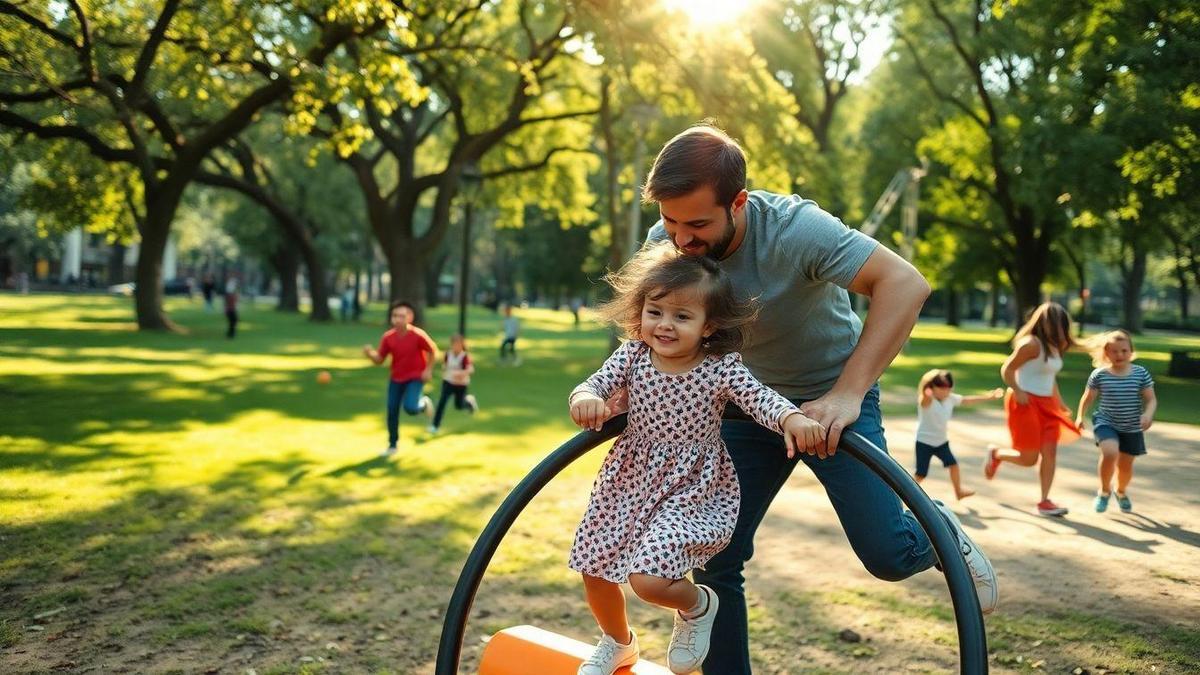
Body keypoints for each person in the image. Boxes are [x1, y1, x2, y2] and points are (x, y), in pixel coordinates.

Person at [639, 125, 996, 673]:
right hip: (742, 406)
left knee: (887, 554)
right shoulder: (667, 242)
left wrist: (847, 393)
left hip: (828, 398)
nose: (679, 239)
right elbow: (654, 331)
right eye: (669, 220)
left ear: (739, 203)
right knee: (714, 554)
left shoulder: (795, 230)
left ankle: (936, 529)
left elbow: (905, 283)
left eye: (697, 224)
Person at [568, 242, 826, 675]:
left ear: (709, 326)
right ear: (641, 311)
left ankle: (698, 604)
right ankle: (618, 642)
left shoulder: (720, 367)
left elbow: (760, 399)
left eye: (682, 316)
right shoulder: (632, 355)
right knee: (593, 568)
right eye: (656, 311)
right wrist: (586, 399)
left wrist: (791, 418)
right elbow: (591, 386)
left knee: (648, 579)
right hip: (629, 479)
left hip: (690, 488)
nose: (665, 325)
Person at [984, 302, 1082, 516]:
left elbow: (1049, 377)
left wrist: (1061, 403)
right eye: (1053, 324)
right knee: (1029, 459)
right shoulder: (1031, 344)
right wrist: (1017, 390)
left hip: (1048, 404)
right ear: (1043, 323)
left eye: (1060, 325)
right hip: (1025, 402)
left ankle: (1045, 501)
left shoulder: (1057, 346)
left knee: (1050, 452)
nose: (1057, 329)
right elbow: (1007, 369)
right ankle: (997, 454)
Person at [1074, 329, 1156, 513]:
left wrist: (1148, 414)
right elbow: (1087, 398)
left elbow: (1151, 399)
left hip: (1132, 426)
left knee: (1125, 468)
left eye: (1124, 351)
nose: (1119, 355)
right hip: (1106, 421)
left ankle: (1120, 491)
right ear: (1106, 353)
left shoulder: (1140, 373)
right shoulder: (1099, 375)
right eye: (1114, 351)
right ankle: (1104, 492)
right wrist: (1080, 416)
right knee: (1110, 453)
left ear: (1131, 352)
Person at [913, 369, 1004, 500]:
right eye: (941, 388)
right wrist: (927, 390)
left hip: (941, 442)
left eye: (948, 388)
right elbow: (925, 396)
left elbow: (968, 400)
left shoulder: (951, 399)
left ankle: (958, 492)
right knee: (921, 474)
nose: (946, 391)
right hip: (924, 442)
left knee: (953, 465)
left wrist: (989, 397)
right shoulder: (927, 400)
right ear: (932, 387)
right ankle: (903, 494)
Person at [362, 301, 437, 457]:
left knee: (410, 408)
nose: (398, 319)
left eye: (402, 316)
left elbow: (432, 350)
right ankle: (392, 445)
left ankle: (423, 405)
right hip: (396, 378)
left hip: (415, 377)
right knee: (392, 409)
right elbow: (379, 359)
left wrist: (428, 369)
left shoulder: (418, 335)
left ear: (410, 317)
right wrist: (370, 354)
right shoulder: (388, 338)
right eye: (395, 316)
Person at [429, 334, 479, 434]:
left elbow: (470, 369)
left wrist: (461, 373)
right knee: (442, 402)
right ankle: (435, 426)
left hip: (461, 384)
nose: (456, 347)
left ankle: (469, 402)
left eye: (458, 345)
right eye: (454, 344)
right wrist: (445, 370)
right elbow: (445, 365)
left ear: (462, 345)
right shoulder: (448, 354)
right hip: (448, 382)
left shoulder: (464, 356)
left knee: (459, 405)